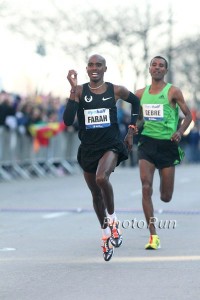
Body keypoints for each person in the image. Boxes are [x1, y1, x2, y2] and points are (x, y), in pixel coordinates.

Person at [63, 54, 140, 261]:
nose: (94, 68)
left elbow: (136, 102)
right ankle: (105, 233)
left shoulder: (116, 90)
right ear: (86, 69)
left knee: (101, 178)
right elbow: (68, 121)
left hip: (111, 145)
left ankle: (113, 219)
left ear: (105, 69)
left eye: (99, 65)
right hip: (88, 148)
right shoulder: (79, 91)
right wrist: (72, 88)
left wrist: (131, 130)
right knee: (96, 194)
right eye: (91, 65)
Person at [133, 56, 192, 250]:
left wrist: (179, 132)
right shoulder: (140, 94)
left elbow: (188, 115)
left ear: (165, 70)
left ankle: (162, 190)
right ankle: (153, 236)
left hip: (167, 145)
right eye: (154, 65)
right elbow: (139, 119)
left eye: (161, 66)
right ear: (149, 69)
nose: (157, 68)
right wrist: (134, 128)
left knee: (166, 196)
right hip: (147, 144)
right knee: (145, 186)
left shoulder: (173, 91)